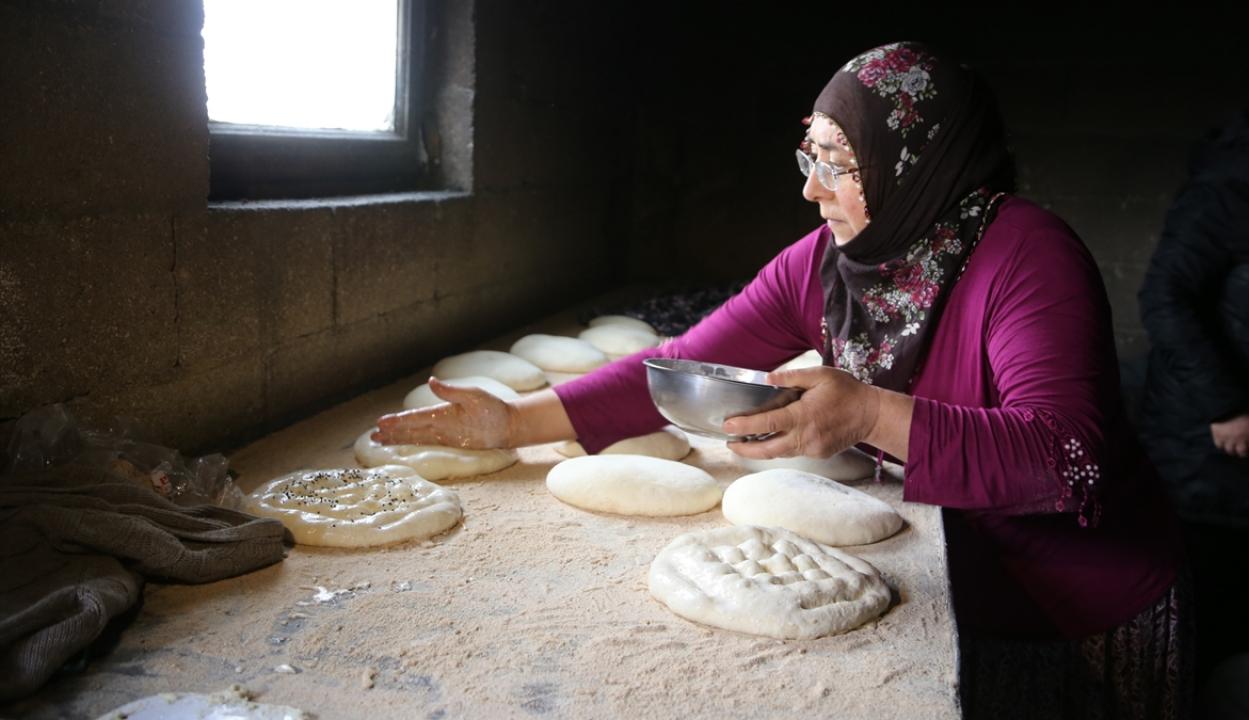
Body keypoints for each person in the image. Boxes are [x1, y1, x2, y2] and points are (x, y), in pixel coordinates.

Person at [377, 42, 1189, 719]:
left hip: (1078, 607)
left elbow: (1067, 457)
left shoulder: (1027, 257)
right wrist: (517, 422)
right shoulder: (833, 265)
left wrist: (867, 412)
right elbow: (686, 361)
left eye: (839, 163)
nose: (810, 188)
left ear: (917, 160)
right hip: (954, 589)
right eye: (811, 156)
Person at [1137, 73, 1249, 705]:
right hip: (1210, 450)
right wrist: (1226, 404)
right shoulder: (1228, 191)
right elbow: (1164, 298)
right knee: (1214, 619)